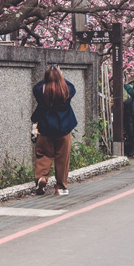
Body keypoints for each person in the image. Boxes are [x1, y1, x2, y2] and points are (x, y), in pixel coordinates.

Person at [31, 64, 78, 196]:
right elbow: (70, 85)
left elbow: (39, 86)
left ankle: (41, 178)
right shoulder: (67, 90)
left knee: (43, 155)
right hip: (63, 129)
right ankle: (61, 187)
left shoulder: (40, 90)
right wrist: (59, 75)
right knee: (62, 158)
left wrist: (48, 77)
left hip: (45, 128)